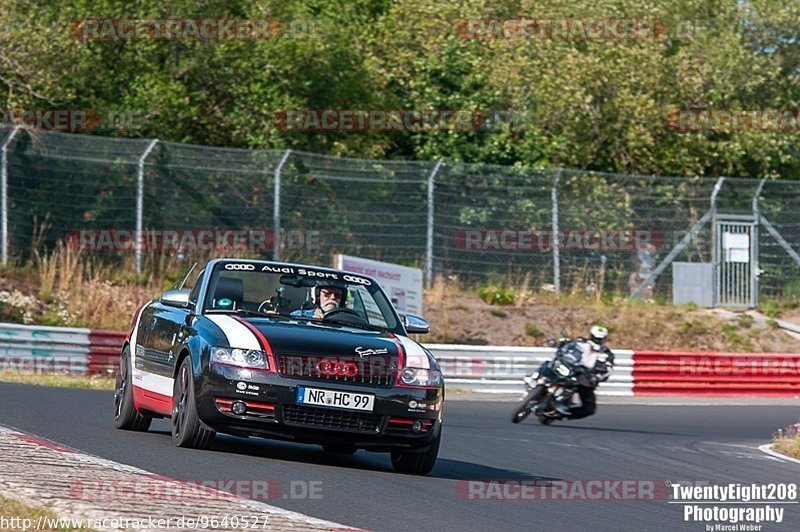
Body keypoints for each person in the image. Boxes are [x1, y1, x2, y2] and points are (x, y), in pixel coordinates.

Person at [555, 325, 614, 419]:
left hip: (585, 377)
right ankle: (536, 380)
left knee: (589, 409)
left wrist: (597, 377)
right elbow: (567, 346)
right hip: (570, 367)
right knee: (551, 365)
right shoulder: (579, 341)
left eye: (600, 339)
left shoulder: (606, 353)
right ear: (591, 335)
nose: (597, 340)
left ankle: (562, 414)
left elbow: (608, 369)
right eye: (595, 338)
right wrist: (561, 344)